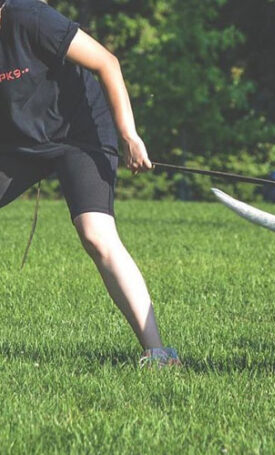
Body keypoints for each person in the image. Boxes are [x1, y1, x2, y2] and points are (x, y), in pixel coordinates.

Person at [0, 0, 179, 367]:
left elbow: (106, 62)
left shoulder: (28, 16)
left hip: (79, 135)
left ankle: (158, 352)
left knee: (97, 235)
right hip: (18, 144)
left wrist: (128, 135)